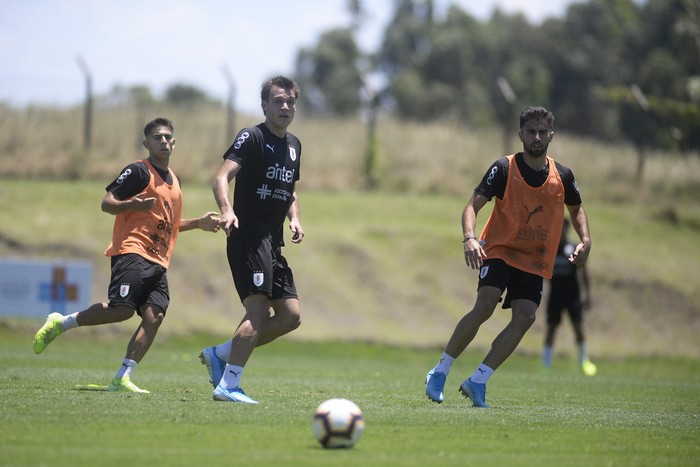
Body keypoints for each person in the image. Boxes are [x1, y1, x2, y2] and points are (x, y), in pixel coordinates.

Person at [33, 117, 221, 393]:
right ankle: (60, 323)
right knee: (121, 310)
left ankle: (122, 377)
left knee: (155, 316)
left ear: (175, 142)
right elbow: (107, 203)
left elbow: (167, 224)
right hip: (132, 250)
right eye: (157, 137)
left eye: (168, 137)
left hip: (159, 259)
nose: (164, 141)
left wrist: (198, 223)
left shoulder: (175, 181)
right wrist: (131, 203)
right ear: (147, 143)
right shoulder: (138, 172)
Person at [425, 106, 592, 408]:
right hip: (499, 249)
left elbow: (576, 207)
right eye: (531, 132)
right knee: (485, 305)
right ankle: (440, 371)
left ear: (551, 136)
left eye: (542, 132)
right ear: (521, 135)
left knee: (526, 317)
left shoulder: (563, 176)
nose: (537, 137)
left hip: (533, 258)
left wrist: (586, 239)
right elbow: (471, 207)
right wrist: (469, 239)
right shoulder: (504, 168)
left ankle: (478, 381)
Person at [199, 76, 304, 404]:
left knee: (290, 316)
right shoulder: (252, 137)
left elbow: (289, 189)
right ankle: (229, 385)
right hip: (247, 237)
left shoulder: (294, 145)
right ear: (264, 106)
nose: (284, 106)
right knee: (257, 312)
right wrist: (227, 210)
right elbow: (220, 178)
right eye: (277, 101)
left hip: (273, 243)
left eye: (289, 101)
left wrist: (295, 218)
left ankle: (221, 354)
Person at [542, 218, 597, 376]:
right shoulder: (549, 250)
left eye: (564, 228)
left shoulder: (574, 248)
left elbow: (584, 272)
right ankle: (546, 364)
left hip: (573, 295)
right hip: (555, 296)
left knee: (578, 328)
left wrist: (588, 295)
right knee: (551, 328)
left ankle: (583, 361)